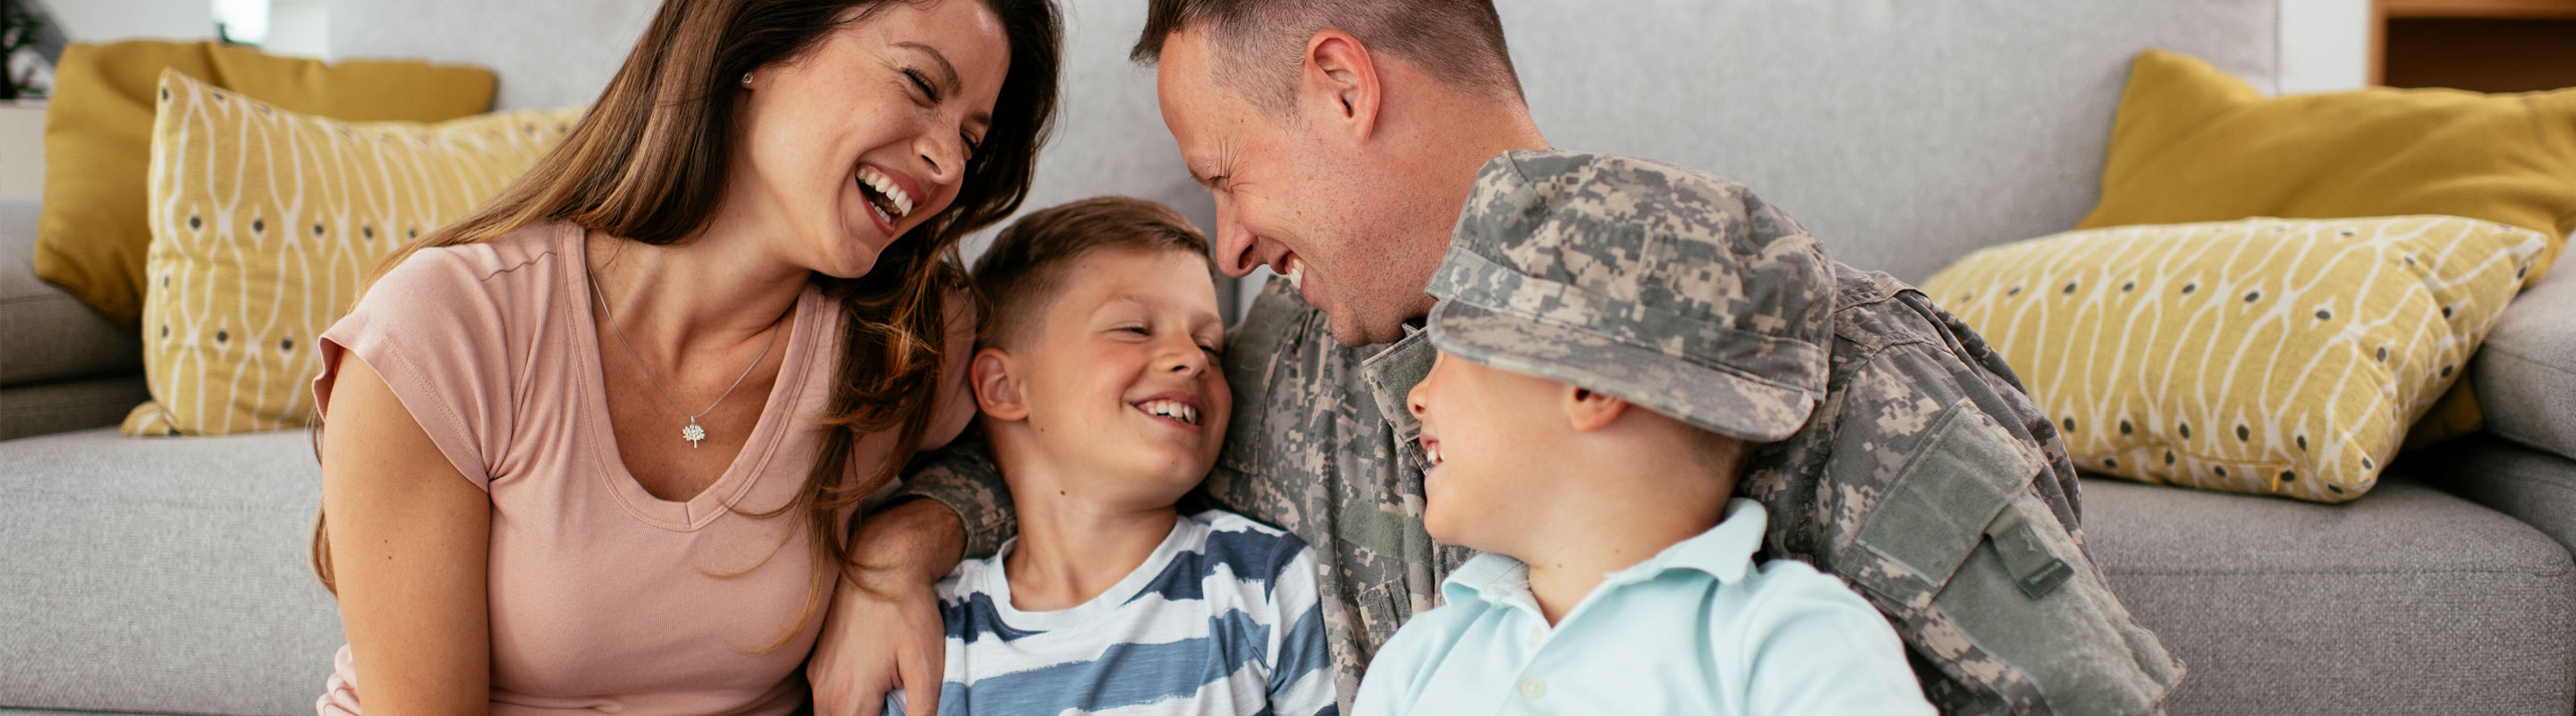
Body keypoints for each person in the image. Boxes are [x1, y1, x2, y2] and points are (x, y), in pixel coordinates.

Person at [817, 2, 2184, 715]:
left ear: (1345, 89)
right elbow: (1084, 452)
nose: (1227, 247)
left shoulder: (1792, 354)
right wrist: (911, 543)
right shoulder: (1285, 365)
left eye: (1227, 175)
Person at [305, 0, 1059, 712]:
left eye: (970, 138)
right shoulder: (448, 327)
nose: (946, 165)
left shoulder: (893, 347)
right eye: (921, 83)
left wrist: (900, 550)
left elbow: (1063, 446)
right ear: (760, 42)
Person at [1352, 150, 1932, 715]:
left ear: (1589, 386)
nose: (1416, 395)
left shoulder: (1792, 639)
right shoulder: (1418, 663)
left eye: (1450, 351)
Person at [881, 197, 1335, 715]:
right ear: (1005, 388)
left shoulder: (1264, 586)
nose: (1191, 359)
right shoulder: (932, 641)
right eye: (1135, 329)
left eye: (1210, 345)